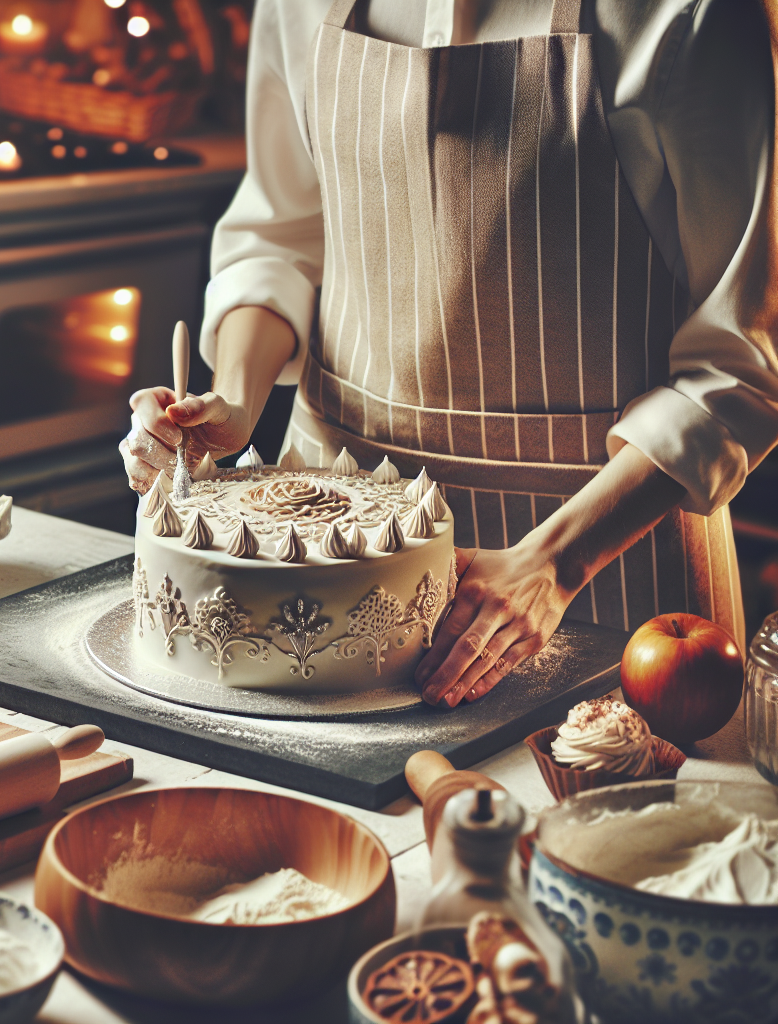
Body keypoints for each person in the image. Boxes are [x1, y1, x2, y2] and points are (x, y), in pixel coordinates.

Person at [121, 0, 778, 708]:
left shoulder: (699, 12)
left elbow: (740, 363)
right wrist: (236, 402)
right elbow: (280, 237)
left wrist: (553, 564)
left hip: (606, 573)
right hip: (313, 565)